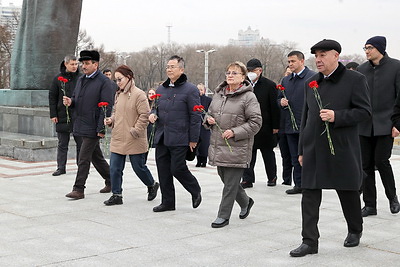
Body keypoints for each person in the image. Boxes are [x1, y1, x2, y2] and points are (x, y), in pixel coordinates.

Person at [290, 39, 371, 257]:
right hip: (314, 148)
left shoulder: (355, 79)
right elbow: (306, 118)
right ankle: (309, 241)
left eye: (323, 55)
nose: (318, 60)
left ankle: (355, 229)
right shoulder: (311, 82)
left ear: (336, 55)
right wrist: (301, 150)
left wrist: (338, 116)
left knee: (348, 191)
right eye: (316, 55)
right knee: (309, 194)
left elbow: (364, 112)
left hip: (342, 147)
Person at [206, 61, 262, 228]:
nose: (230, 75)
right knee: (227, 180)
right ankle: (245, 202)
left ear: (243, 77)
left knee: (230, 185)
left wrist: (235, 132)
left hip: (237, 147)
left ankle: (223, 216)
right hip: (219, 146)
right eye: (228, 72)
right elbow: (209, 113)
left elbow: (256, 122)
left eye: (235, 73)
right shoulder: (219, 94)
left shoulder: (248, 97)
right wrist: (208, 120)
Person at [149, 55, 202, 212]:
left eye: (172, 66)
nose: (169, 69)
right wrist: (153, 113)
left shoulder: (190, 90)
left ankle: (195, 189)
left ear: (182, 69)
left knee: (177, 168)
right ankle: (168, 202)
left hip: (180, 137)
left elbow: (196, 116)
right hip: (162, 136)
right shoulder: (161, 89)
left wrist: (193, 139)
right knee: (163, 170)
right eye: (167, 67)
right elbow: (155, 107)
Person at [103, 65, 159, 206]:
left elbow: (144, 116)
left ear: (128, 77)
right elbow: (116, 112)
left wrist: (135, 130)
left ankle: (152, 184)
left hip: (134, 137)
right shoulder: (119, 94)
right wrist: (111, 120)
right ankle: (117, 194)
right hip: (118, 137)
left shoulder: (139, 94)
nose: (118, 82)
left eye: (119, 79)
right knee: (114, 167)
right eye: (116, 80)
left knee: (138, 167)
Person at [357, 36, 400, 217]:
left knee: (382, 161)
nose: (366, 51)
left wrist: (398, 124)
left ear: (380, 49)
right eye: (365, 48)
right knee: (365, 165)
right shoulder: (361, 69)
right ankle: (370, 205)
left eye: (370, 48)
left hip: (386, 124)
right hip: (364, 125)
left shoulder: (396, 67)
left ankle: (393, 198)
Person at [63, 50, 114, 199]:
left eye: (86, 64)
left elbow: (106, 107)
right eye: (82, 64)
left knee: (83, 158)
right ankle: (112, 180)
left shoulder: (105, 83)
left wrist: (101, 128)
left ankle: (79, 189)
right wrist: (71, 102)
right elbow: (75, 97)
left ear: (95, 64)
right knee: (96, 157)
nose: (83, 66)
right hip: (80, 123)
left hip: (93, 126)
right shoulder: (81, 79)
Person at [278, 51, 316, 194]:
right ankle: (299, 184)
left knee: (308, 157)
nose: (290, 64)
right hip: (290, 125)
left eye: (293, 61)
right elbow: (278, 98)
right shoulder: (286, 80)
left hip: (307, 125)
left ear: (302, 61)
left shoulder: (312, 77)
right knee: (295, 157)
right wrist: (280, 102)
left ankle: (310, 183)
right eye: (289, 62)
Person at [240, 58, 280, 188]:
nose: (250, 73)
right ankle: (247, 179)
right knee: (248, 155)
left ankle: (272, 177)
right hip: (248, 125)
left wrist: (275, 126)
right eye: (249, 70)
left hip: (266, 126)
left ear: (260, 70)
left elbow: (274, 107)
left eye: (253, 70)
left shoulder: (269, 85)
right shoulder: (244, 85)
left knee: (268, 153)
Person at [49, 55, 82, 176]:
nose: (75, 66)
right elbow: (52, 97)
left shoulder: (81, 78)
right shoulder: (57, 78)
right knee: (62, 143)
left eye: (76, 64)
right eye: (72, 64)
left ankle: (81, 167)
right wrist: (53, 114)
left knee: (81, 144)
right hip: (62, 115)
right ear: (65, 64)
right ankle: (61, 167)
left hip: (78, 116)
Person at [278, 66, 294, 185]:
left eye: (290, 73)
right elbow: (277, 100)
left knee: (295, 156)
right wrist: (280, 102)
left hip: (295, 126)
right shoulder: (283, 84)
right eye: (286, 73)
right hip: (283, 125)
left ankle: (299, 182)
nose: (288, 75)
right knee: (285, 156)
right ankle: (286, 180)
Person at [196, 83, 212, 167]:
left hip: (205, 125)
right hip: (196, 124)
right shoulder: (193, 99)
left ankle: (204, 160)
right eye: (198, 89)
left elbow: (211, 111)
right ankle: (198, 160)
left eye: (201, 89)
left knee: (205, 144)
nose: (199, 91)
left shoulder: (208, 100)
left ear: (204, 91)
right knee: (197, 143)